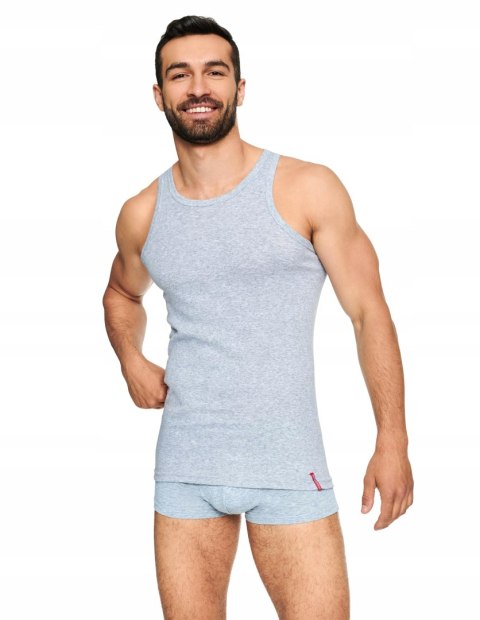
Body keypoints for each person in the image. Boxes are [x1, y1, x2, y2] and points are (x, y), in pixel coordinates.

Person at [102, 15, 414, 620]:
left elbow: (368, 313)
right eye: (180, 75)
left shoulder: (307, 188)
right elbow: (120, 293)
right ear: (159, 95)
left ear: (239, 88)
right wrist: (130, 359)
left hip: (290, 464)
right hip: (187, 468)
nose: (198, 87)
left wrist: (392, 439)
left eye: (214, 72)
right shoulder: (142, 212)